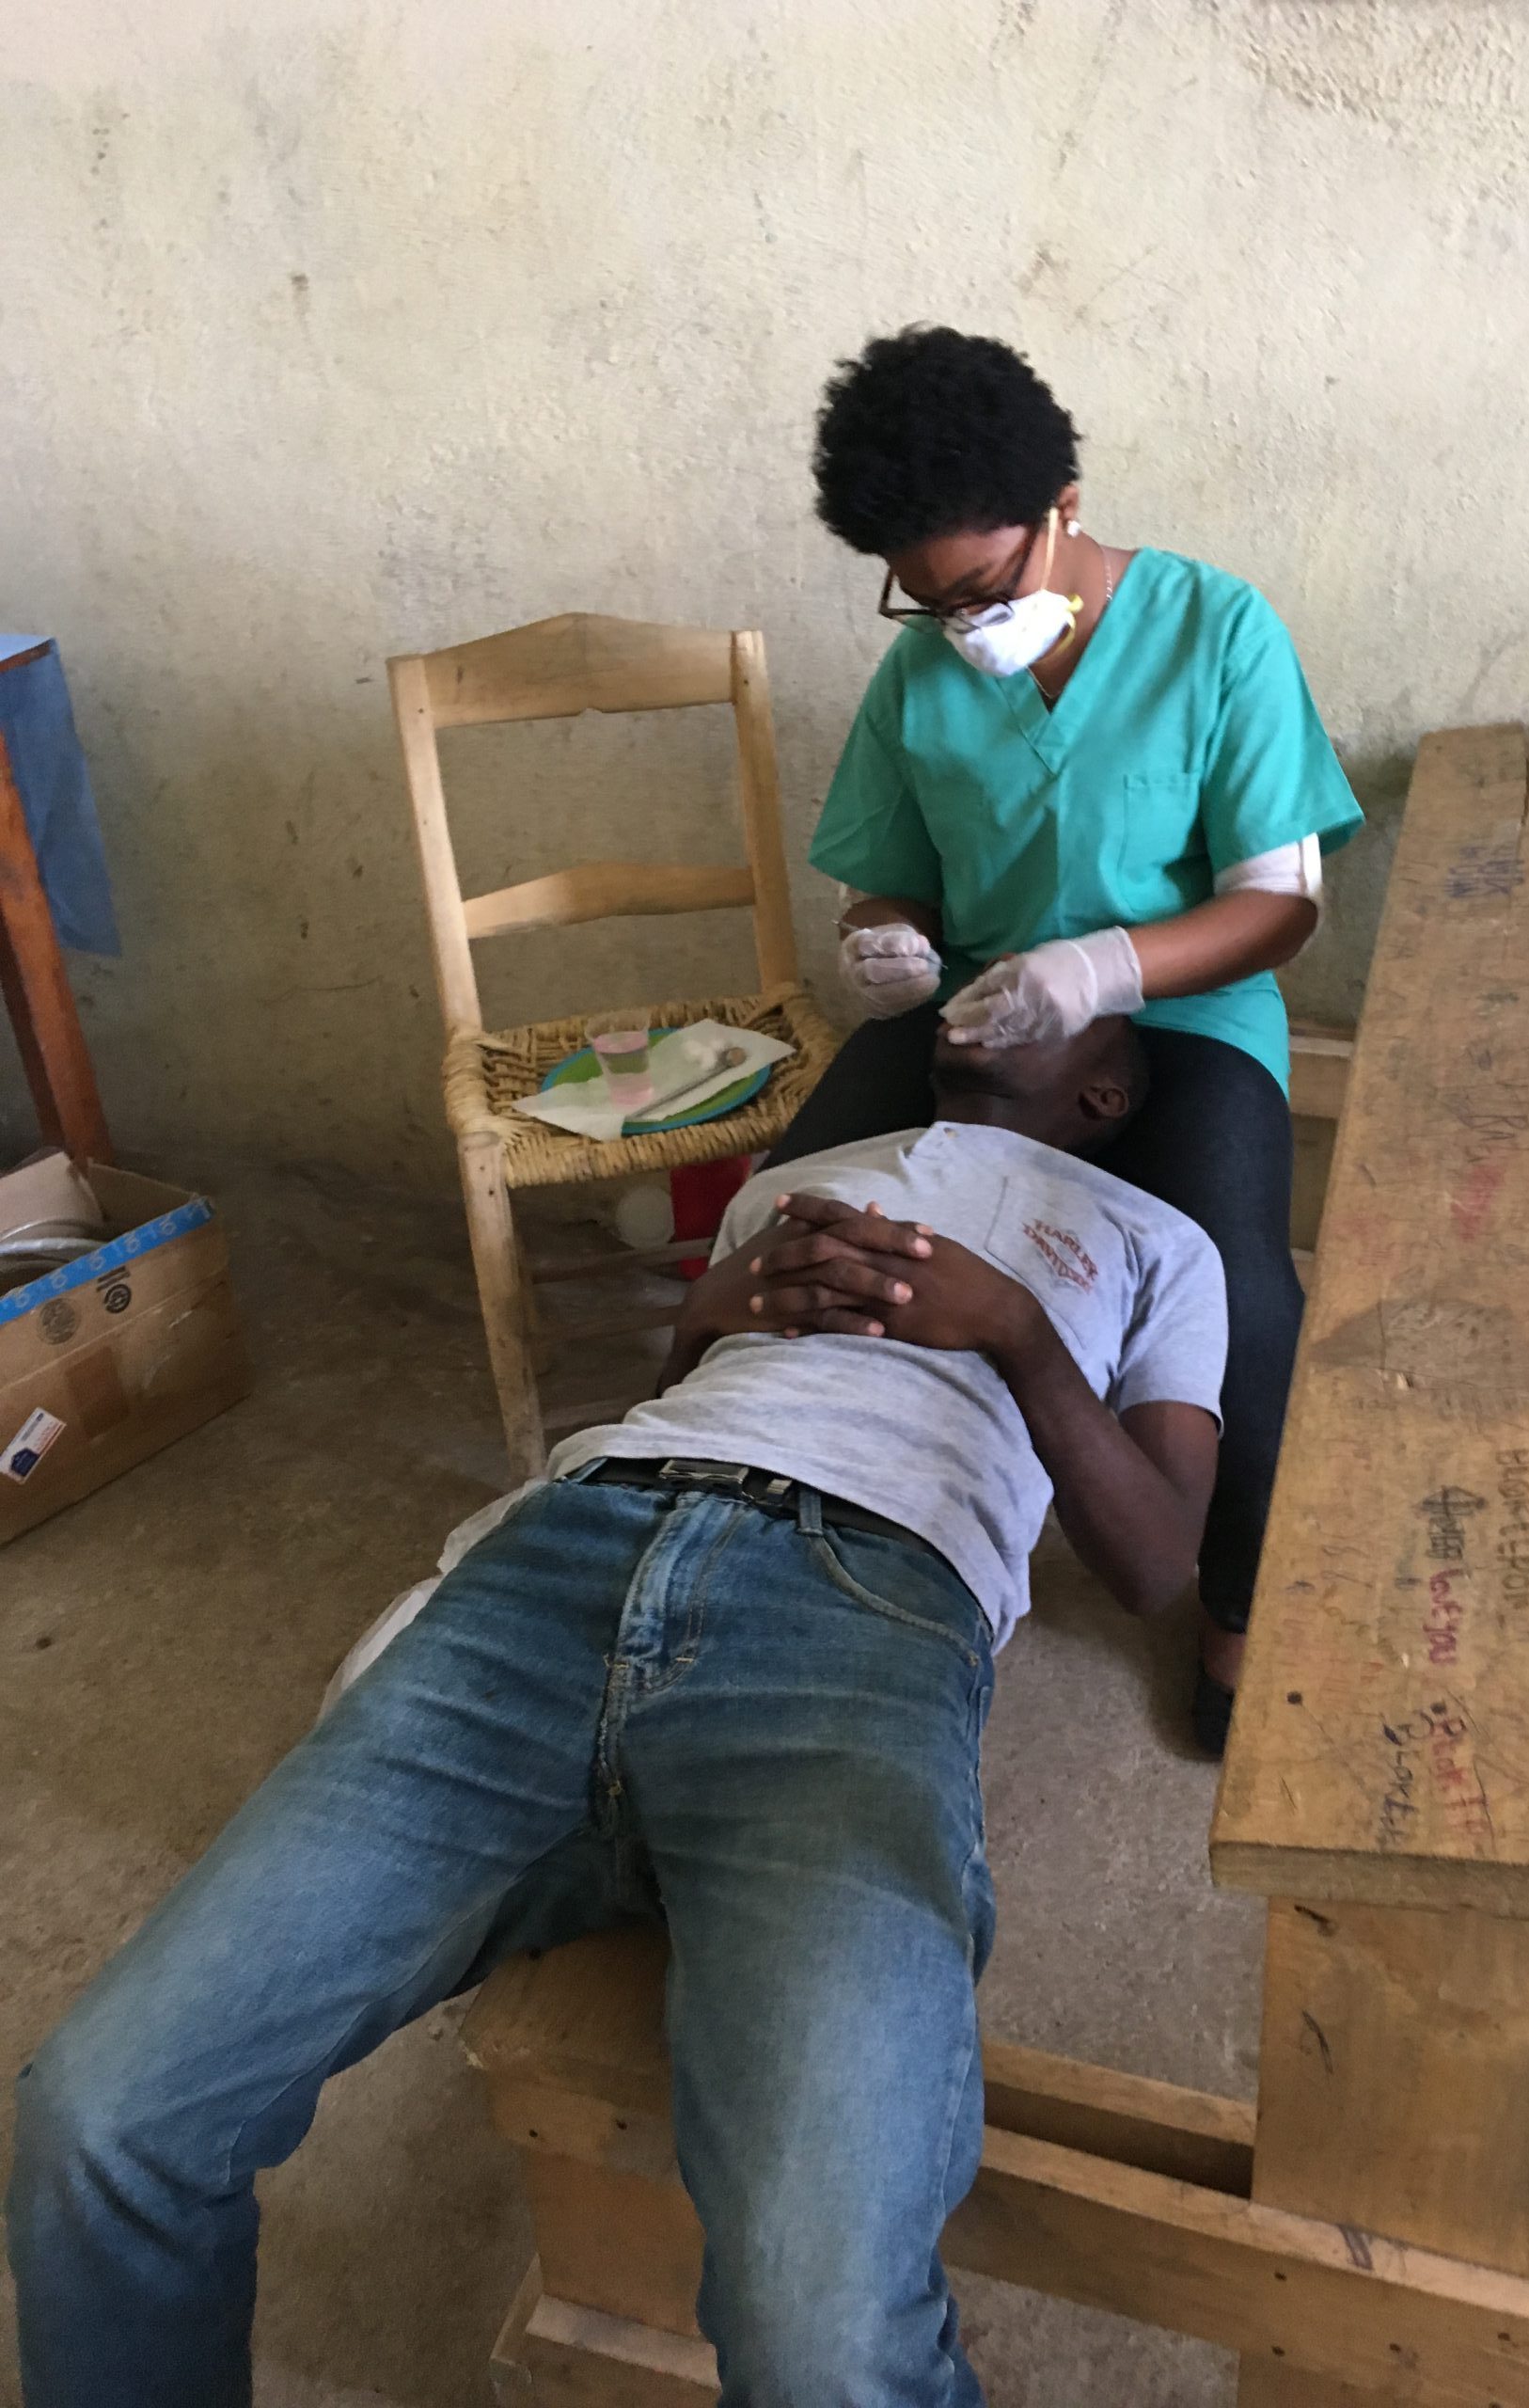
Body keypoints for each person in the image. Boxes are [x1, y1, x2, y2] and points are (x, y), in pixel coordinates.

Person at [8, 1018, 1225, 2408]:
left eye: (1045, 1001)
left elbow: (1156, 1560)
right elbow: (690, 1401)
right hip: (571, 1551)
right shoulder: (795, 1183)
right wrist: (703, 1319)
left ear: (1107, 1086)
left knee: (824, 2337)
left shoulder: (1155, 1242)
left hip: (858, 1619)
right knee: (101, 2119)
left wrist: (1014, 1330)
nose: (986, 997)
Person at [774, 325, 1363, 1750]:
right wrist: (885, 940)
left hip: (1185, 1007)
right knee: (798, 1215)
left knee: (1240, 1292)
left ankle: (1242, 1600)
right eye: (925, 604)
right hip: (984, 1017)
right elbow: (890, 875)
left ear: (1065, 506)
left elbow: (1278, 907)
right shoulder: (922, 675)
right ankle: (800, 1527)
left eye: (982, 591)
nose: (961, 627)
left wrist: (1108, 965)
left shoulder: (1217, 631)